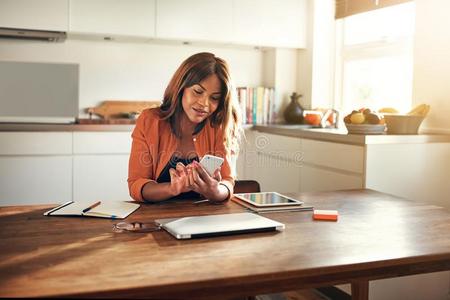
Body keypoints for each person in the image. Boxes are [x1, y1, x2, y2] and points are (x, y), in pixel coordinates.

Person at [127, 52, 241, 203]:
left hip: (203, 218)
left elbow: (227, 181)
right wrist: (173, 188)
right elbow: (136, 185)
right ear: (180, 87)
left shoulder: (217, 126)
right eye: (198, 91)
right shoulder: (149, 121)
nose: (204, 104)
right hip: (155, 218)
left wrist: (216, 191)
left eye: (214, 98)